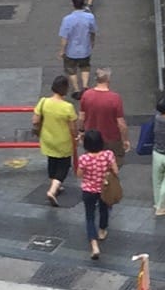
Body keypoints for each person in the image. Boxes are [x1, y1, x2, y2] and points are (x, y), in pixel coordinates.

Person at [33, 75, 79, 203]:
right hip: (63, 141)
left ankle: (55, 185)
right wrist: (76, 137)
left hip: (47, 139)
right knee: (64, 166)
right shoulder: (67, 107)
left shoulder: (43, 102)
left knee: (52, 162)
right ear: (65, 89)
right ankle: (52, 191)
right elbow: (72, 127)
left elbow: (35, 120)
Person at [76, 129, 114, 259]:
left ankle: (94, 245)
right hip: (104, 188)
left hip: (89, 190)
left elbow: (79, 175)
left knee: (90, 217)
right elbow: (115, 171)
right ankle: (102, 230)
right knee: (104, 210)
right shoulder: (108, 155)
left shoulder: (84, 159)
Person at [79, 65, 127, 154]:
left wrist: (81, 131)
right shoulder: (115, 98)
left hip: (91, 138)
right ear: (108, 79)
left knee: (92, 163)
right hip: (111, 138)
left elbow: (81, 117)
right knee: (113, 163)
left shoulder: (86, 95)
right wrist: (125, 140)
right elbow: (121, 123)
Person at [58, 0, 97, 93]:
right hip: (85, 48)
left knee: (71, 70)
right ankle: (85, 86)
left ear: (73, 4)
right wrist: (92, 42)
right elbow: (93, 32)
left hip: (71, 50)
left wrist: (62, 50)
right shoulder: (90, 17)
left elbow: (64, 37)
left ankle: (76, 89)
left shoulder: (67, 19)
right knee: (85, 67)